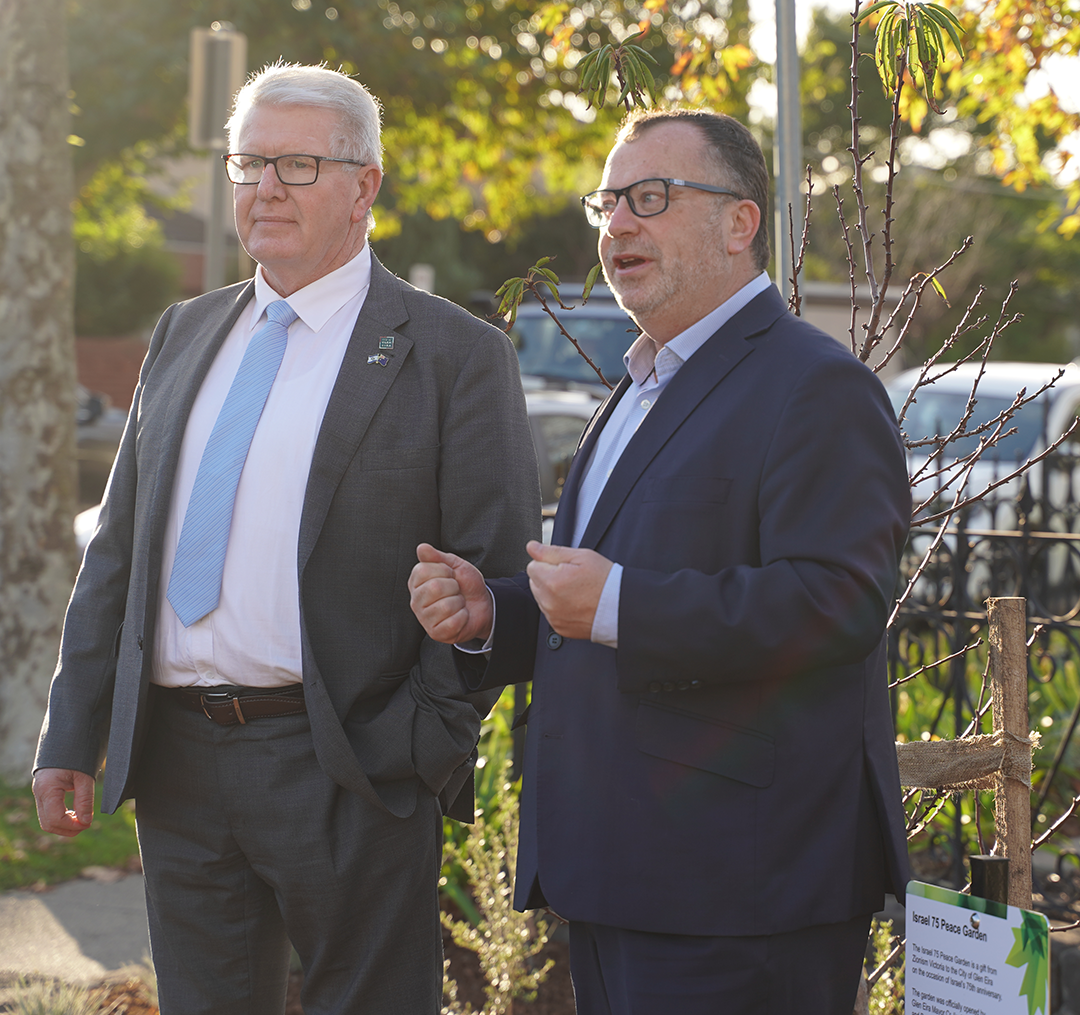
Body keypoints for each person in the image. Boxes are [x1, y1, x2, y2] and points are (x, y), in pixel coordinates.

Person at [33, 62, 540, 1015]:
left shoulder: (455, 356)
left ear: (365, 186)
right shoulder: (185, 331)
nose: (265, 187)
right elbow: (120, 554)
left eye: (298, 165)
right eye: (249, 162)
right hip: (180, 768)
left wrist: (421, 740)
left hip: (351, 762)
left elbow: (494, 579)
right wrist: (74, 728)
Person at [409, 108, 912, 1014]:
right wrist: (499, 614)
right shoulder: (638, 388)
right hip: (616, 875)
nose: (617, 226)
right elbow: (597, 600)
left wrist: (616, 605)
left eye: (649, 198)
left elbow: (839, 602)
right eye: (606, 203)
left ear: (739, 222)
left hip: (741, 892)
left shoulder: (815, 386)